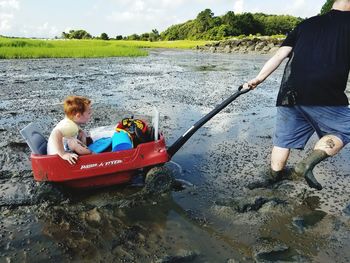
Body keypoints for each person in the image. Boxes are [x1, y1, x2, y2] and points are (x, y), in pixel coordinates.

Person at [243, 0, 350, 190]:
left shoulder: (306, 23)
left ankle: (273, 178)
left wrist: (257, 79)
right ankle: (306, 165)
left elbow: (279, 56)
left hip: (289, 91)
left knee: (284, 140)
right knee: (344, 129)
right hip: (325, 92)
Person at [47, 96, 93, 164]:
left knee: (81, 133)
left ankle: (84, 148)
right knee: (73, 142)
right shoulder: (70, 126)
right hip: (57, 154)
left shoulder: (69, 121)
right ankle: (90, 153)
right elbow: (56, 133)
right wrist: (63, 154)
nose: (91, 115)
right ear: (78, 116)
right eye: (89, 113)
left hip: (58, 148)